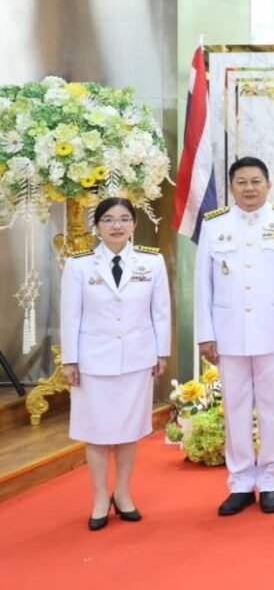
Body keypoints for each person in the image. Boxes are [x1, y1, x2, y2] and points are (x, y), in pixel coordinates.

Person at [194, 156, 274, 516]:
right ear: (231, 187)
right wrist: (205, 334)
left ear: (268, 184)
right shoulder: (215, 225)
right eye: (242, 182)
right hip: (229, 333)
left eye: (256, 181)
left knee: (273, 410)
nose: (249, 188)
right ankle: (241, 483)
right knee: (234, 409)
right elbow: (203, 284)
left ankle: (271, 481)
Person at [59, 197, 171, 531]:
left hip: (137, 358)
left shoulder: (151, 262)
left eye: (124, 219)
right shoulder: (79, 265)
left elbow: (161, 311)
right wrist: (70, 359)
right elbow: (70, 316)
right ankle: (99, 497)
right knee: (95, 433)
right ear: (97, 226)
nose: (117, 226)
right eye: (108, 219)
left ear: (134, 224)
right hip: (93, 361)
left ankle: (122, 493)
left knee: (128, 431)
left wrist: (161, 352)